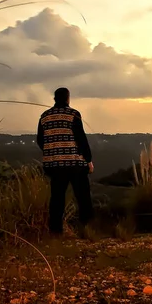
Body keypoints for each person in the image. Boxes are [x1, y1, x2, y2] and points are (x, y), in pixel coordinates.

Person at [37, 87, 94, 236]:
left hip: (53, 165)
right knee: (83, 197)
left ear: (55, 98)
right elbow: (81, 139)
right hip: (75, 163)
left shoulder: (45, 116)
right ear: (68, 98)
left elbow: (40, 140)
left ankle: (55, 231)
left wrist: (52, 152)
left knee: (57, 198)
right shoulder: (73, 114)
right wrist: (88, 160)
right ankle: (87, 229)